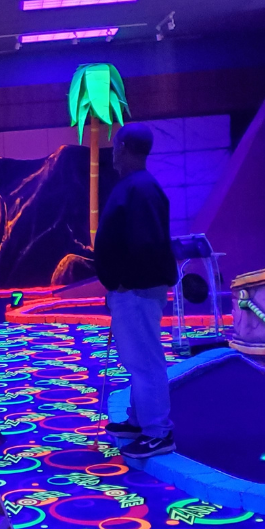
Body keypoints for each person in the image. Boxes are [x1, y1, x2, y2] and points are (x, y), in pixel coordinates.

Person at [94, 123, 179, 458]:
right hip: (133, 289)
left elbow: (144, 246)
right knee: (136, 359)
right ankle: (138, 420)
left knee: (144, 361)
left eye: (116, 144)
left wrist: (122, 281)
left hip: (137, 290)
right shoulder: (139, 186)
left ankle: (159, 432)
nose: (112, 150)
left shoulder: (139, 189)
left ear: (124, 147)